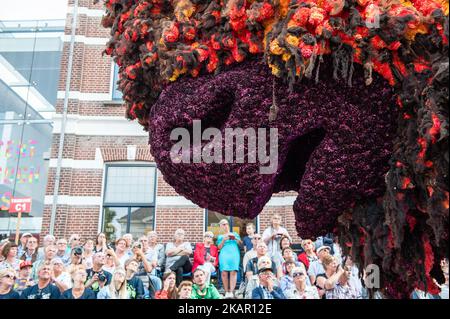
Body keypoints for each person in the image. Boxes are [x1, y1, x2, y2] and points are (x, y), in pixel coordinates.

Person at [217, 219, 241, 298]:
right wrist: (223, 240)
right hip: (224, 255)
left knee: (233, 272)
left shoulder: (235, 233)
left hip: (234, 254)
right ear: (220, 226)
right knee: (224, 272)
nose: (225, 226)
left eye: (226, 224)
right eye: (223, 224)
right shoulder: (220, 236)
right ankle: (226, 291)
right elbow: (219, 247)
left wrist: (236, 238)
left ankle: (231, 291)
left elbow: (240, 243)